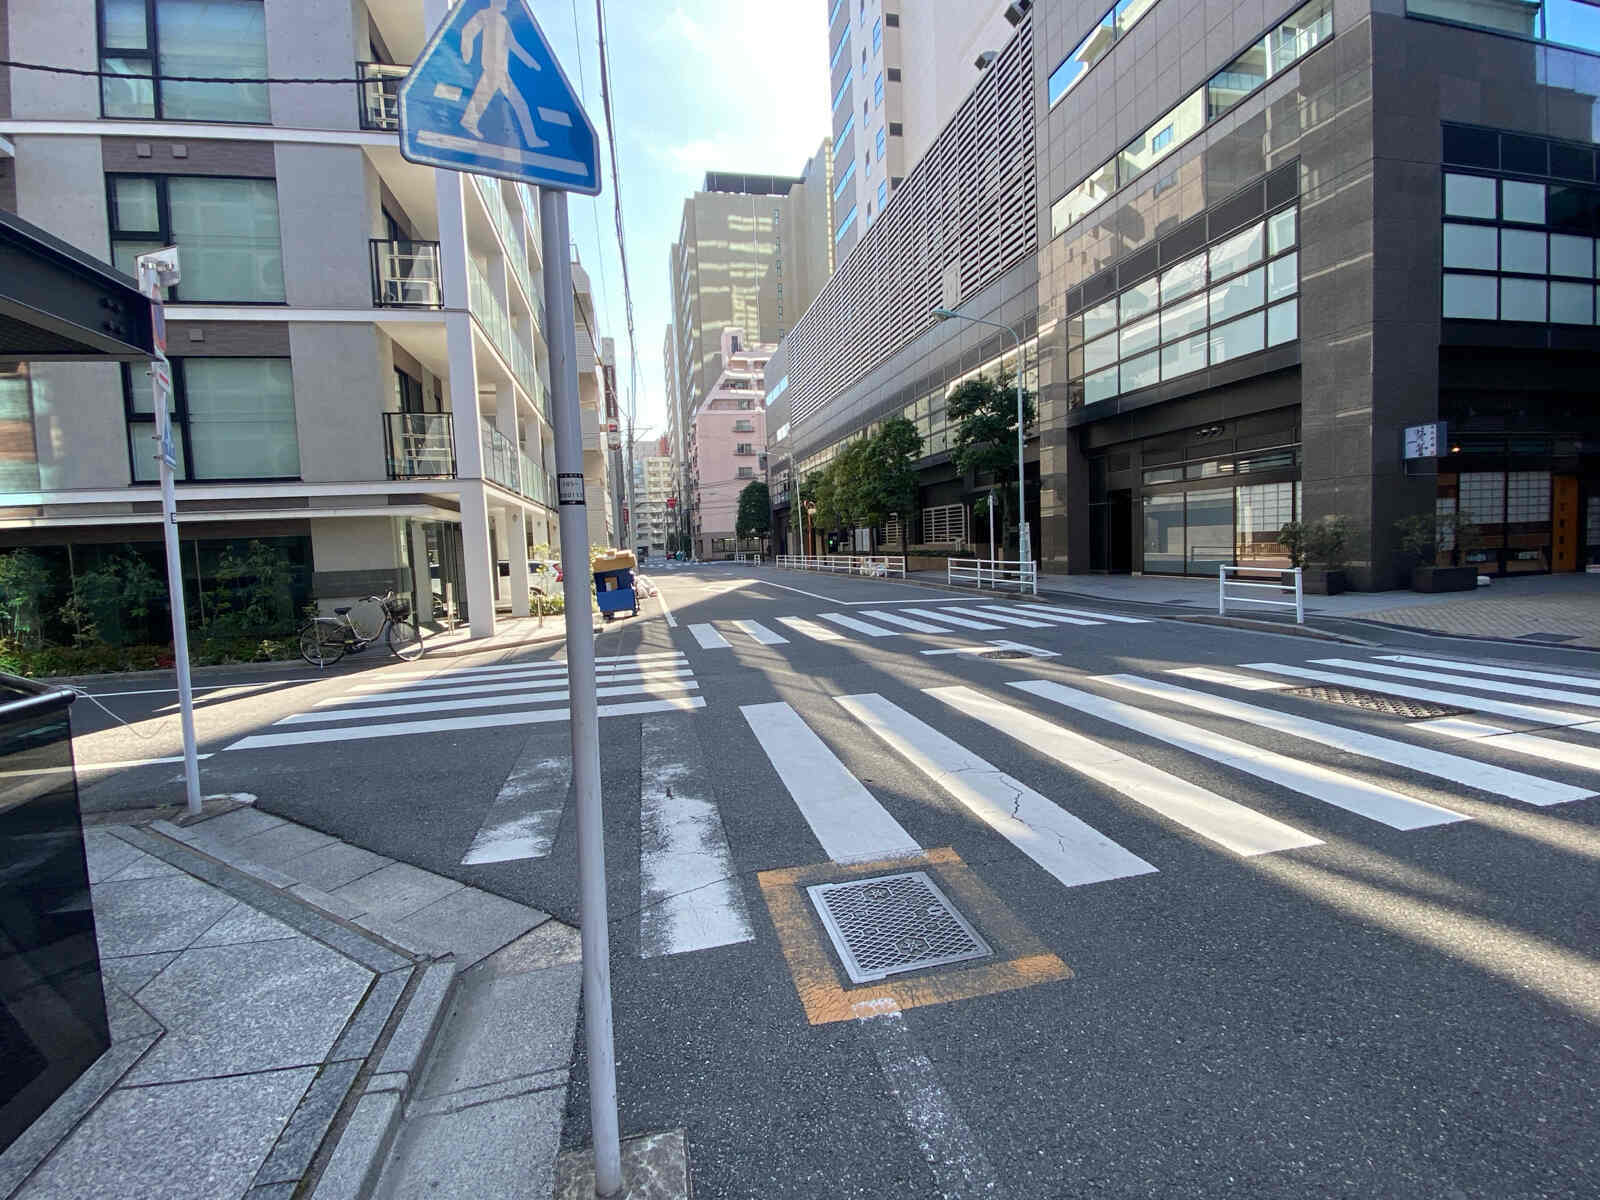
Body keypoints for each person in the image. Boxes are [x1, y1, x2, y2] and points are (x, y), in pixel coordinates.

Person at [459, 0, 545, 149]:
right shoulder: (484, 15)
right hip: (493, 68)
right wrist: (467, 54)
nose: (506, 3)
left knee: (488, 98)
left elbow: (513, 45)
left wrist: (531, 62)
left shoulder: (503, 21)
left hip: (501, 70)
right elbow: (467, 32)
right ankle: (532, 139)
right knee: (518, 104)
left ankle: (532, 139)